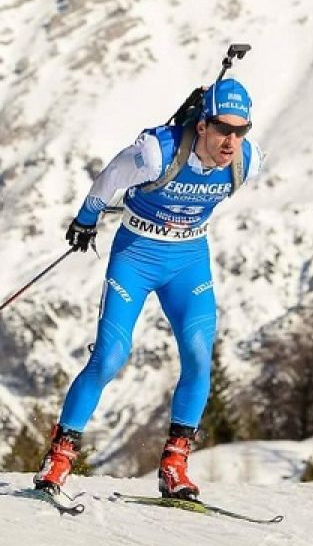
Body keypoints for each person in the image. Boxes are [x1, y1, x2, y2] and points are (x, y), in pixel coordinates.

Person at [34, 78, 262, 500]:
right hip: (135, 257)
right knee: (110, 356)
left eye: (241, 130)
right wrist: (86, 219)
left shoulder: (246, 161)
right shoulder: (156, 152)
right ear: (202, 125)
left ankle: (175, 464)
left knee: (198, 355)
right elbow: (109, 178)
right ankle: (61, 456)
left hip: (189, 263)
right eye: (224, 129)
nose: (233, 140)